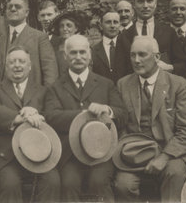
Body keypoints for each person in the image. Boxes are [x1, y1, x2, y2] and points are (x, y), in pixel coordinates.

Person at [44, 35, 127, 202]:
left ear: (89, 55)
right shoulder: (55, 87)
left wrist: (106, 110)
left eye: (82, 52)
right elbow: (51, 116)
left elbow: (123, 114)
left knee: (99, 182)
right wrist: (85, 115)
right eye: (73, 53)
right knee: (68, 183)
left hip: (101, 152)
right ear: (65, 56)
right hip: (70, 154)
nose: (78, 57)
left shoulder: (106, 84)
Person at [115, 36, 186, 202]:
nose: (136, 60)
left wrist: (164, 156)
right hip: (135, 154)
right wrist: (128, 153)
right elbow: (121, 126)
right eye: (133, 55)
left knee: (175, 174)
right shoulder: (123, 84)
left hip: (171, 152)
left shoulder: (178, 84)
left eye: (142, 55)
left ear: (157, 57)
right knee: (123, 185)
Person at [0, 46, 60, 203]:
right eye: (12, 62)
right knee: (10, 184)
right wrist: (22, 116)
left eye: (22, 61)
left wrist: (37, 114)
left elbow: (51, 115)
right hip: (7, 157)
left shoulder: (43, 90)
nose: (17, 65)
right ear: (6, 67)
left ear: (30, 66)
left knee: (52, 181)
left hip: (39, 155)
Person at [116, 0, 186, 78]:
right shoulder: (124, 36)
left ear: (155, 3)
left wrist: (170, 67)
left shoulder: (169, 32)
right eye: (141, 1)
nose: (145, 6)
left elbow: (183, 65)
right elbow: (119, 72)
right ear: (134, 5)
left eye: (149, 1)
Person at [0, 0, 58, 86]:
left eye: (18, 7)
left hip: (32, 97)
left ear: (27, 12)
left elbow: (50, 74)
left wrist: (46, 98)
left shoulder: (40, 38)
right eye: (9, 7)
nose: (13, 9)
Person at [49, 10, 89, 76]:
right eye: (61, 26)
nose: (65, 28)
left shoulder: (83, 46)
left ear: (76, 28)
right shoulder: (54, 47)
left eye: (69, 25)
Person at [91, 10, 122, 83]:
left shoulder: (127, 47)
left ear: (120, 25)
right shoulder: (93, 50)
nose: (112, 26)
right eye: (108, 22)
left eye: (115, 22)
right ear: (101, 26)